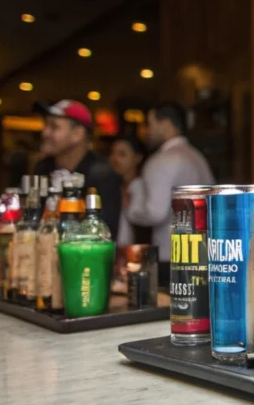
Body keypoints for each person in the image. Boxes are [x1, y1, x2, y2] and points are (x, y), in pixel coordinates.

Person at [124, 103, 214, 283]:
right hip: (204, 253)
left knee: (173, 309)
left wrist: (130, 208)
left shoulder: (162, 160)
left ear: (165, 124)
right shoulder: (197, 157)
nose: (146, 131)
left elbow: (155, 212)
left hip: (171, 254)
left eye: (149, 124)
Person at [33, 100, 122, 237]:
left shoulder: (101, 174)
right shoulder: (43, 168)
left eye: (54, 127)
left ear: (78, 134)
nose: (45, 133)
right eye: (46, 125)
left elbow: (104, 235)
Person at [108, 135, 152, 248]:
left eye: (122, 154)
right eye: (113, 153)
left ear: (137, 158)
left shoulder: (143, 188)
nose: (115, 159)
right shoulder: (111, 186)